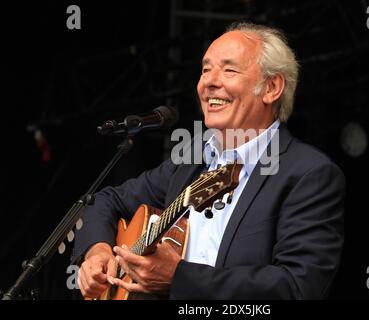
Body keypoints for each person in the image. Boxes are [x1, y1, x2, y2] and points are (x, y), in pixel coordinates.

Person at [72, 22, 345, 299]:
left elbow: (298, 287)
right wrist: (98, 250)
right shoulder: (190, 161)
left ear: (271, 87)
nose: (209, 82)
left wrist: (180, 277)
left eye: (229, 70)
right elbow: (105, 200)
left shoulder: (308, 174)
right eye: (205, 70)